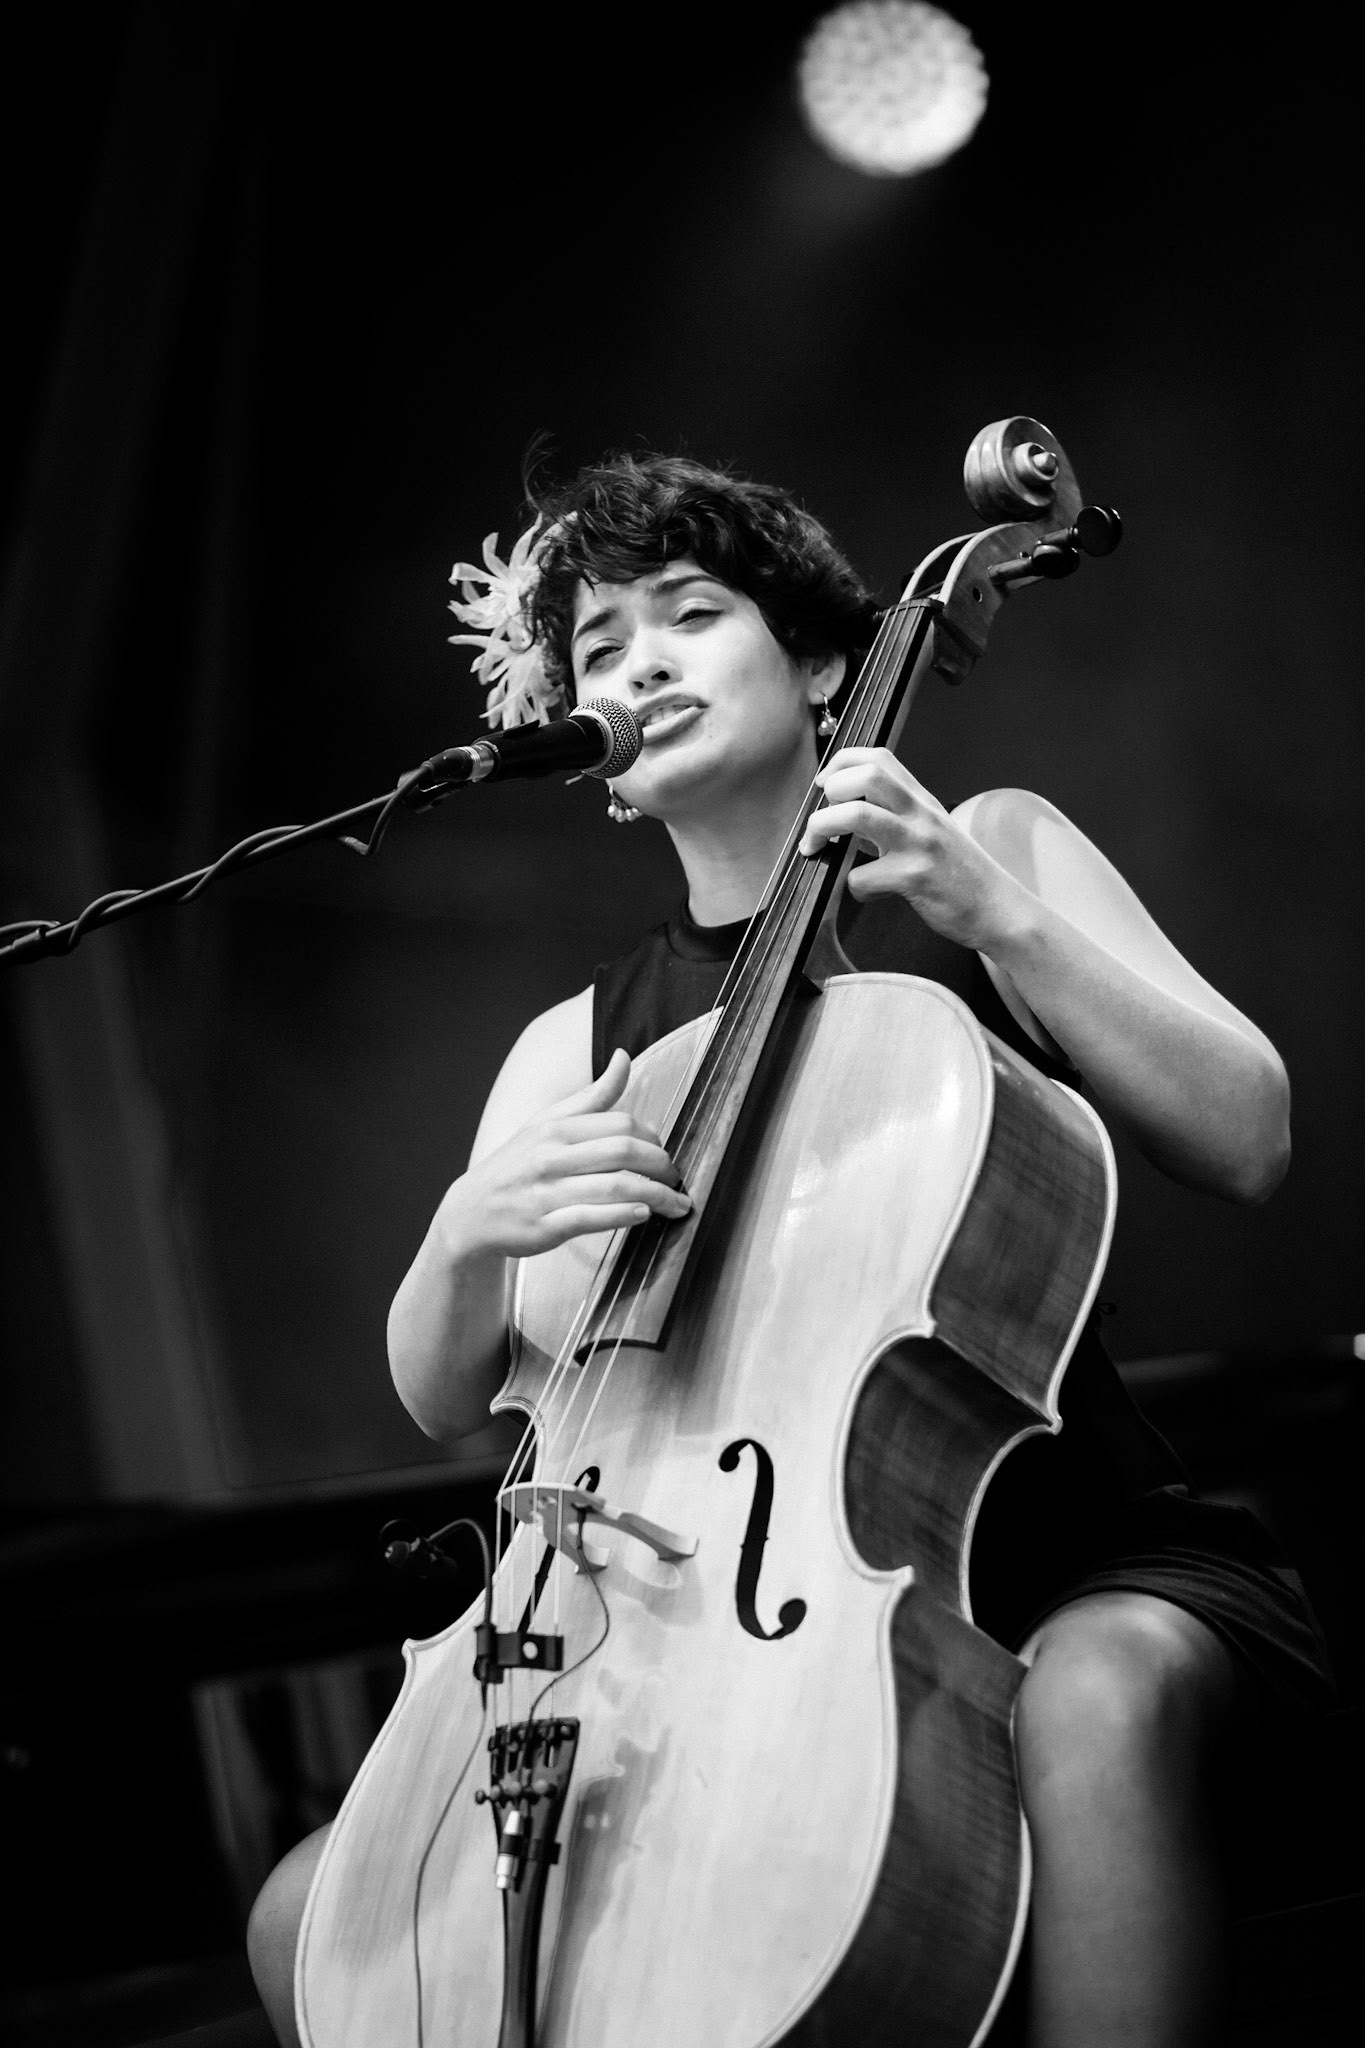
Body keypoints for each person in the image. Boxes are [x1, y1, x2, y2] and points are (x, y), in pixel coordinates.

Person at [248, 453, 1331, 2047]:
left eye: (691, 617)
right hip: (719, 1650)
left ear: (824, 663)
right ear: (595, 761)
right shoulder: (580, 1042)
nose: (640, 667)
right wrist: (461, 1237)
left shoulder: (982, 860)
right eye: (603, 649)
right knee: (309, 1914)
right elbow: (446, 1396)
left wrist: (994, 918)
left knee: (1088, 1706)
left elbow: (1249, 1135)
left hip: (1067, 1571)